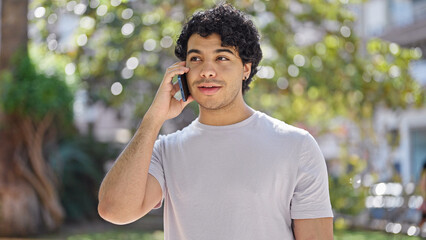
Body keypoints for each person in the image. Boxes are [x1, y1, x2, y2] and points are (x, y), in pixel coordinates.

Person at [98, 3, 333, 239]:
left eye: (222, 57)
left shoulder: (296, 146)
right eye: (196, 59)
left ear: (246, 69)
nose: (207, 71)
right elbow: (113, 210)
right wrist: (153, 118)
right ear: (183, 70)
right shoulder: (165, 151)